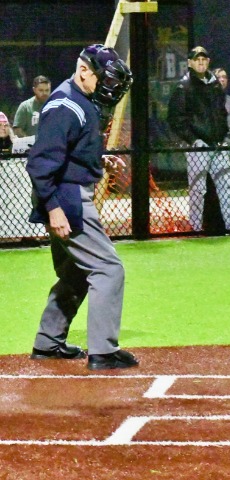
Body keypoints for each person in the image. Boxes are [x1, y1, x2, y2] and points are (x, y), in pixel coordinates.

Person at [25, 44, 137, 370]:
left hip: (65, 193)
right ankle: (103, 352)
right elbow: (40, 163)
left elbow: (70, 151)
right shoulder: (65, 105)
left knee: (75, 273)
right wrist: (54, 209)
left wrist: (100, 161)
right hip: (65, 197)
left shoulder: (80, 100)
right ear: (84, 70)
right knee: (108, 269)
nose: (110, 87)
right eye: (106, 79)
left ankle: (48, 343)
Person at [168, 46, 230, 232]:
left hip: (217, 145)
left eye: (203, 59)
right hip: (198, 148)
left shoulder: (215, 84)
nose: (201, 62)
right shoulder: (184, 87)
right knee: (197, 191)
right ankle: (195, 229)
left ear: (208, 62)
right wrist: (193, 140)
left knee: (228, 187)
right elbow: (175, 119)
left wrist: (223, 137)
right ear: (190, 63)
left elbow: (221, 113)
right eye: (197, 59)